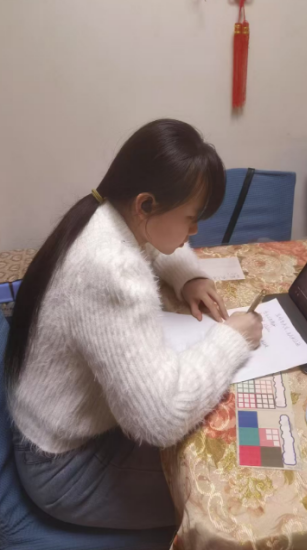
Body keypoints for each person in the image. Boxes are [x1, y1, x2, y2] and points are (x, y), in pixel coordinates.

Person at [5, 119, 263, 531]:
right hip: (63, 467)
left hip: (46, 426)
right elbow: (162, 416)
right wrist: (233, 338)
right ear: (145, 205)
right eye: (191, 218)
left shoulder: (104, 214)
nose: (194, 231)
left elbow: (156, 246)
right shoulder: (112, 269)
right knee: (234, 501)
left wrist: (188, 277)